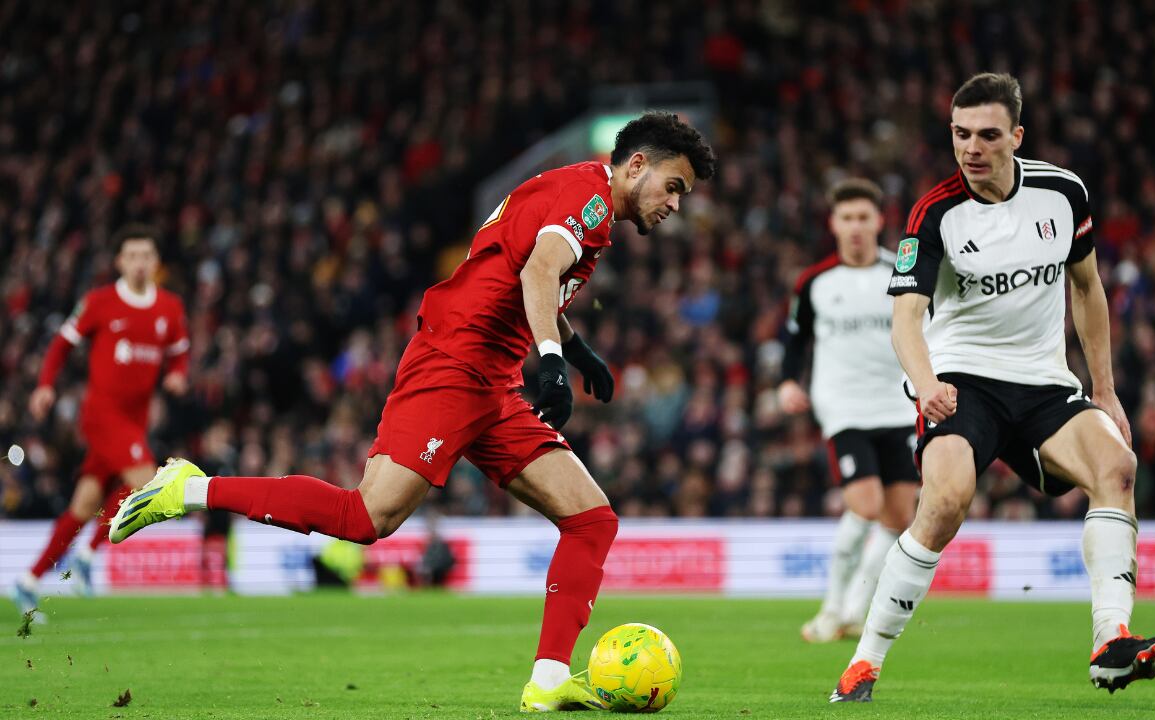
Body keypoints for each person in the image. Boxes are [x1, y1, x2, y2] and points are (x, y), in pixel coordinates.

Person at [109, 111, 716, 712]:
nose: (675, 204)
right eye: (674, 186)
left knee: (591, 519)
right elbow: (538, 271)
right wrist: (555, 363)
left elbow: (523, 271)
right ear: (636, 165)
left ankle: (550, 680)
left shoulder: (581, 196)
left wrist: (578, 351)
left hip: (493, 383)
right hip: (453, 364)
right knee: (366, 517)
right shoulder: (587, 198)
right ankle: (192, 489)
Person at [829, 73, 1155, 702]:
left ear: (1017, 135)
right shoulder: (935, 212)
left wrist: (1105, 388)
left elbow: (1088, 288)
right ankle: (864, 661)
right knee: (945, 501)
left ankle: (1110, 642)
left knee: (1118, 468)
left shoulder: (1063, 194)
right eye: (960, 135)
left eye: (988, 135)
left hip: (1044, 382)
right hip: (963, 380)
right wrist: (924, 380)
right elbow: (906, 316)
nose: (971, 148)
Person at [12, 226, 189, 617]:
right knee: (147, 483)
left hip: (135, 422)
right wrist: (44, 386)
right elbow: (61, 344)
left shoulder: (170, 309)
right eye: (132, 256)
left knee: (84, 506)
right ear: (119, 262)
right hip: (101, 415)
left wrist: (177, 374)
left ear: (156, 263)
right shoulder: (100, 302)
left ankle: (28, 580)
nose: (140, 263)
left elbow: (180, 352)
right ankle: (91, 554)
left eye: (147, 256)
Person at [778, 179, 919, 643]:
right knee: (865, 504)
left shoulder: (902, 275)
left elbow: (928, 330)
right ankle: (831, 609)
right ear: (833, 224)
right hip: (844, 408)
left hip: (898, 407)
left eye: (864, 217)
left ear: (879, 221)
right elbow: (796, 339)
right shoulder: (815, 281)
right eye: (847, 218)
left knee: (898, 519)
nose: (856, 226)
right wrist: (787, 381)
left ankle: (855, 611)